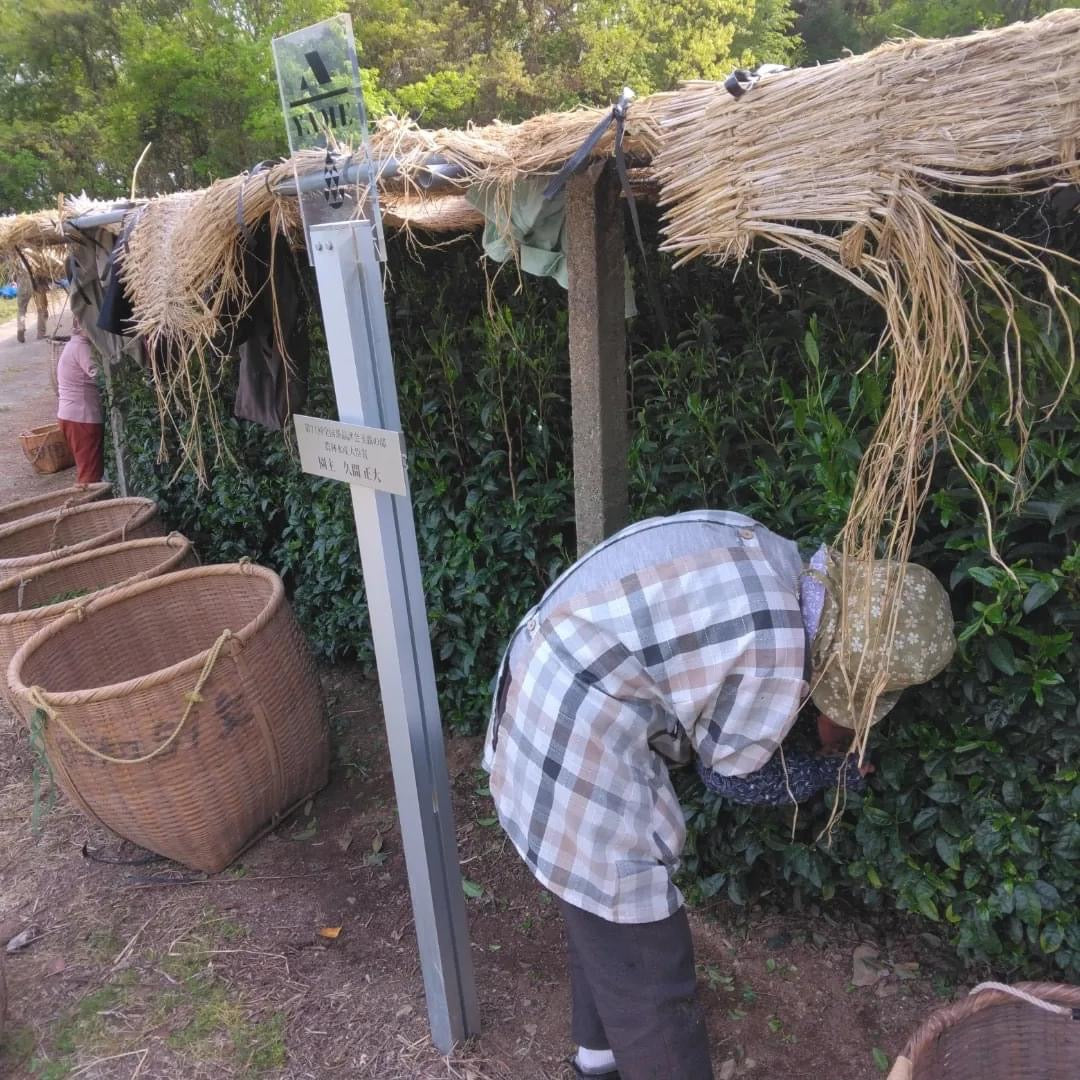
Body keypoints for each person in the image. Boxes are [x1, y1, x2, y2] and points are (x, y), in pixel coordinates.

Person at [483, 510, 956, 1080]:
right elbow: (734, 777)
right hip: (570, 732)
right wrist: (829, 772)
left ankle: (598, 1058)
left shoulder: (780, 562)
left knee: (596, 902)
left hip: (539, 678)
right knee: (649, 958)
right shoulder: (776, 648)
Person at [56, 317, 105, 484]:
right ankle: (89, 501)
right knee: (89, 476)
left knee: (87, 469)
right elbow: (100, 375)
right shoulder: (81, 347)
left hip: (71, 415)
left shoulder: (72, 345)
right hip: (82, 417)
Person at [15, 262, 49, 344]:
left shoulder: (16, 258)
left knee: (21, 309)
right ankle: (41, 333)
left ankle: (21, 327)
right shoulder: (35, 256)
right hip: (36, 279)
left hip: (22, 280)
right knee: (41, 308)